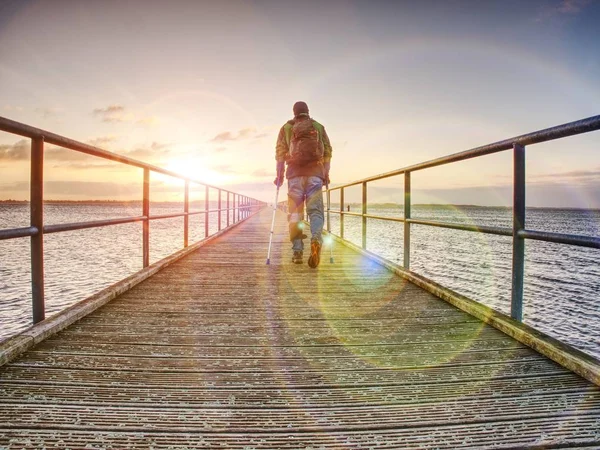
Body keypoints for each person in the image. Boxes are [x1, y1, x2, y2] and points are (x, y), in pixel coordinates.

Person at [274, 101, 332, 268]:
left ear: (294, 113)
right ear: (307, 112)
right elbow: (328, 151)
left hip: (294, 176)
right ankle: (315, 239)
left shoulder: (286, 128)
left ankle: (297, 252)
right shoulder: (318, 127)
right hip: (315, 175)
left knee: (295, 213)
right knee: (315, 212)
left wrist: (279, 174)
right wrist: (325, 173)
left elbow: (279, 152)